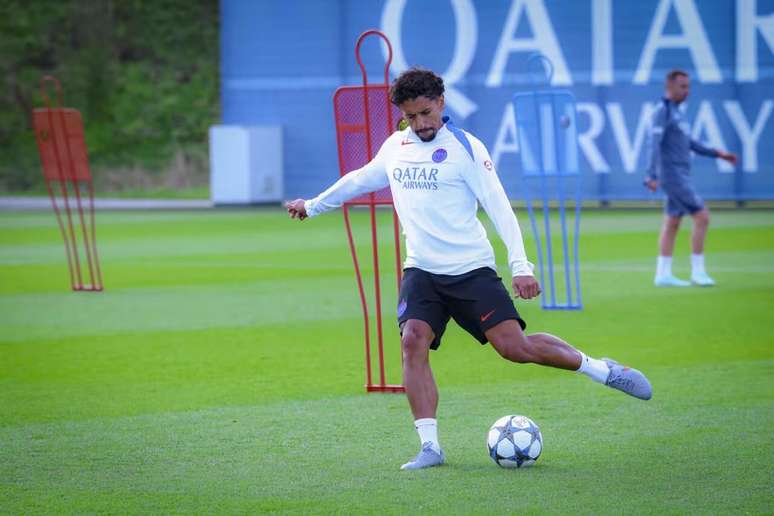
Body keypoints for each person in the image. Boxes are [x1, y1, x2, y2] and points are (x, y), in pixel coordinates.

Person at [286, 68, 652, 471]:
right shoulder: (396, 146)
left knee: (516, 348)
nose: (421, 123)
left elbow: (499, 206)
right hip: (422, 270)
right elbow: (360, 179)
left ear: (441, 103)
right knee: (412, 341)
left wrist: (521, 266)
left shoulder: (466, 147)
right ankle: (430, 447)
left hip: (471, 269)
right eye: (412, 116)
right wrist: (313, 204)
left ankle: (602, 370)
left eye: (427, 112)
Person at [645, 69, 737, 287]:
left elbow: (691, 143)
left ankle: (663, 274)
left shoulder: (677, 111)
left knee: (672, 222)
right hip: (673, 175)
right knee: (702, 216)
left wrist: (718, 153)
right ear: (670, 87)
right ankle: (698, 271)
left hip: (681, 173)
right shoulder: (663, 111)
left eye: (688, 86)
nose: (687, 91)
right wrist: (651, 174)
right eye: (682, 86)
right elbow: (654, 143)